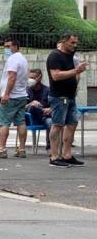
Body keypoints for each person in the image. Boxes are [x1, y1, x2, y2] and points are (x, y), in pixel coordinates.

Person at [47, 32, 87, 167]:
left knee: (72, 124)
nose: (74, 45)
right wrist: (76, 71)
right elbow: (56, 76)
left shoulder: (70, 55)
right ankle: (53, 156)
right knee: (57, 124)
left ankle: (67, 155)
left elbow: (73, 74)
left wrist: (76, 79)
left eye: (76, 43)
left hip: (70, 96)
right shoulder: (55, 56)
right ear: (64, 41)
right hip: (59, 96)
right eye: (72, 43)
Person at [0, 37, 28, 159]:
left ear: (15, 46)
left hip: (12, 96)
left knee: (4, 122)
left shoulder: (13, 59)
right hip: (22, 95)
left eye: (8, 46)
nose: (6, 49)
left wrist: (6, 94)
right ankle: (21, 149)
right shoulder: (23, 59)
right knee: (21, 122)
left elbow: (12, 77)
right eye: (5, 47)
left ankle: (2, 148)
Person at [25, 68, 52, 150]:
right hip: (31, 118)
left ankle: (50, 146)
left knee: (52, 122)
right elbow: (21, 107)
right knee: (34, 107)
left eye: (32, 78)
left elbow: (53, 105)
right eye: (29, 78)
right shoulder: (26, 90)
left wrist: (49, 109)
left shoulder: (47, 90)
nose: (30, 80)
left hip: (44, 117)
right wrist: (31, 103)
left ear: (39, 77)